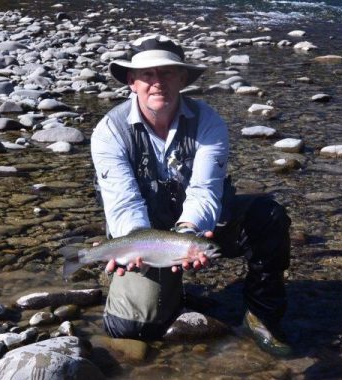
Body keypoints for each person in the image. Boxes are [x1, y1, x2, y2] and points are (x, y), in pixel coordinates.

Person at [91, 35, 292, 356]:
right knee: (130, 329)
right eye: (148, 75)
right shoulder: (110, 131)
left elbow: (205, 189)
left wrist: (189, 234)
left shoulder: (208, 122)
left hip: (200, 227)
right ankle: (170, 292)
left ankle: (262, 314)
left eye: (168, 73)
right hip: (142, 234)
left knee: (268, 215)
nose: (158, 83)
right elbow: (123, 199)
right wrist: (132, 242)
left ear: (182, 78)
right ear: (132, 81)